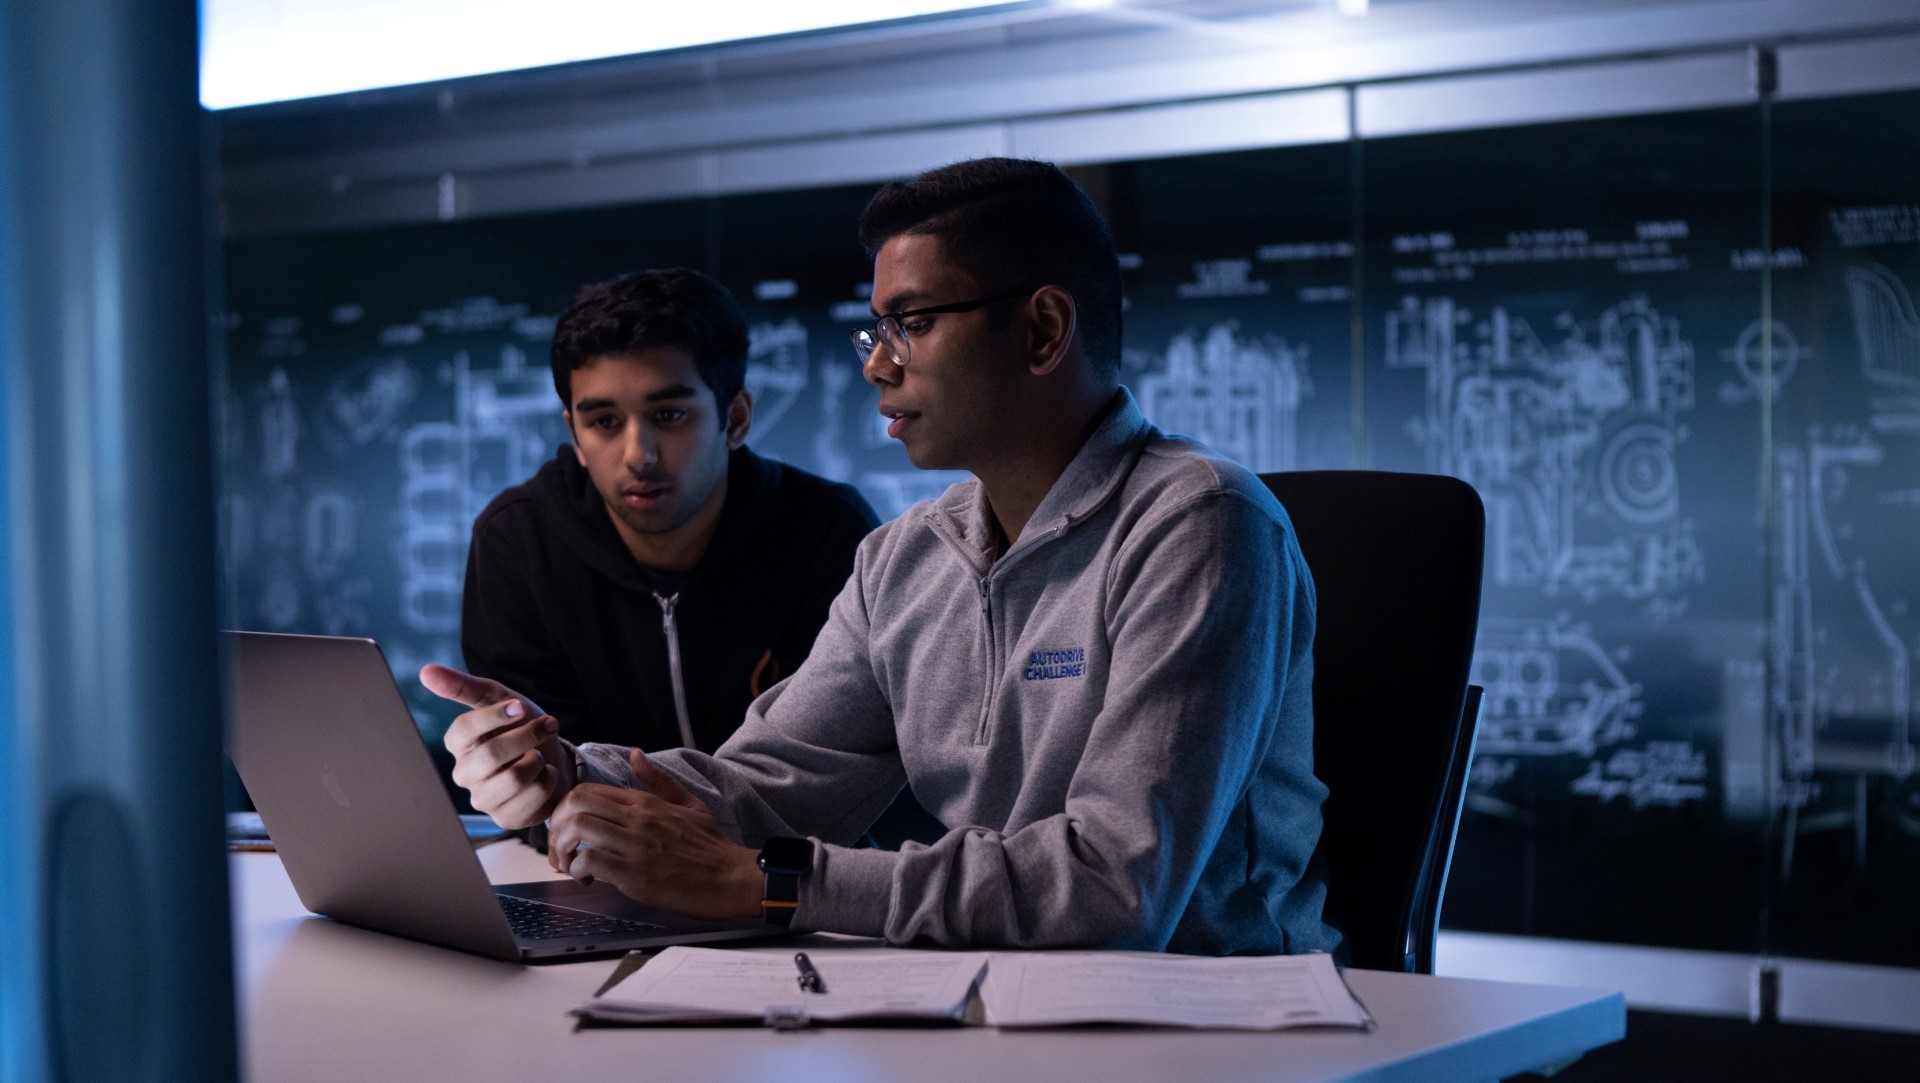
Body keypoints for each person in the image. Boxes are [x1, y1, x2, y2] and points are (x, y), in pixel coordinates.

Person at [423, 158, 1337, 955]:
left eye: (913, 322)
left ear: (1043, 330)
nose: (876, 365)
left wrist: (773, 884)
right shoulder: (905, 559)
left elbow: (1115, 886)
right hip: (994, 998)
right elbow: (764, 786)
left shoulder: (1200, 524)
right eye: (875, 329)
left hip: (1212, 1023)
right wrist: (567, 771)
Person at [458, 267, 878, 755]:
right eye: (605, 422)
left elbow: (839, 769)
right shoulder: (518, 544)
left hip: (776, 832)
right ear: (574, 434)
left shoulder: (829, 533)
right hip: (594, 832)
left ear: (735, 418)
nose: (640, 455)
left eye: (670, 415)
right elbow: (546, 774)